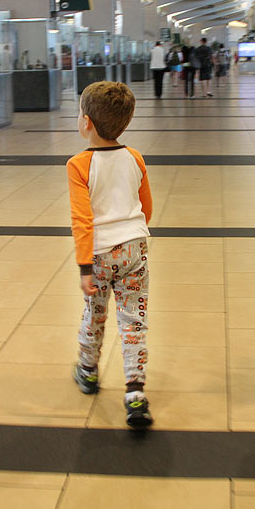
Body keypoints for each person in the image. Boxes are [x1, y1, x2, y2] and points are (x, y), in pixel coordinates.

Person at [67, 81, 154, 429]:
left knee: (95, 313)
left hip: (100, 254)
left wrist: (85, 267)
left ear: (86, 122)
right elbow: (146, 207)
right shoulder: (135, 157)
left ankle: (88, 371)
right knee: (134, 319)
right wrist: (132, 232)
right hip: (136, 248)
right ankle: (135, 392)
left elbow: (82, 221)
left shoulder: (78, 165)